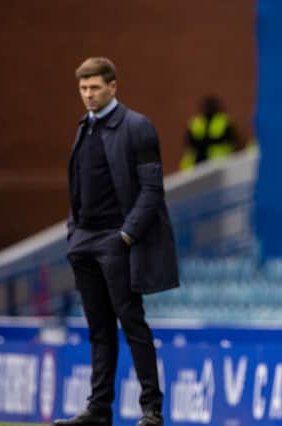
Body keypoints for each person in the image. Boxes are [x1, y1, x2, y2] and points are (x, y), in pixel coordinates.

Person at [55, 57, 179, 426]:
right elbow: (79, 186)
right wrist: (73, 232)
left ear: (113, 87)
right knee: (98, 329)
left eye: (94, 87)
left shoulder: (137, 127)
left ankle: (151, 410)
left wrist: (126, 235)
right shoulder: (85, 127)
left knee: (132, 323)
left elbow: (152, 188)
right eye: (83, 88)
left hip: (116, 241)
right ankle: (99, 408)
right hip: (84, 241)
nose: (88, 95)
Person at [179, 95, 237, 170]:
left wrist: (205, 141)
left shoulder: (224, 121)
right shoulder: (195, 123)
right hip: (195, 165)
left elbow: (231, 141)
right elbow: (189, 143)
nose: (208, 109)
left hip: (218, 165)